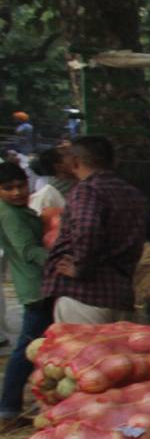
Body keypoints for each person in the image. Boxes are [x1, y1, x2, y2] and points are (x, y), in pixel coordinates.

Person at [40, 135, 150, 324]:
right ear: (114, 162)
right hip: (119, 295)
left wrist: (80, 268)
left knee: (83, 350)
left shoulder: (86, 191)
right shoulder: (132, 193)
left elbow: (87, 230)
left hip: (84, 296)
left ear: (75, 162)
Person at [0, 164, 51, 419]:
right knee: (26, 349)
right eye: (8, 188)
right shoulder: (9, 214)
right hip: (36, 288)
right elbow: (28, 250)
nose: (17, 192)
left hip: (38, 285)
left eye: (20, 185)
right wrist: (62, 259)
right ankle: (8, 408)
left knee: (35, 346)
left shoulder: (19, 210)